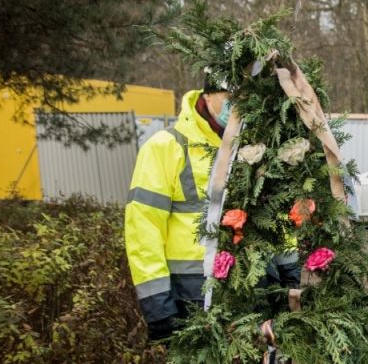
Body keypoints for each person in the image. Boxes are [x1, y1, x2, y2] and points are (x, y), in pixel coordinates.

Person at [125, 76, 300, 341]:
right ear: (207, 95)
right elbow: (143, 228)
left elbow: (274, 214)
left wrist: (289, 268)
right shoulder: (166, 147)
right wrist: (157, 305)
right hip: (193, 300)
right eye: (232, 98)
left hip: (259, 295)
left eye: (248, 100)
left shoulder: (256, 149)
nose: (241, 107)